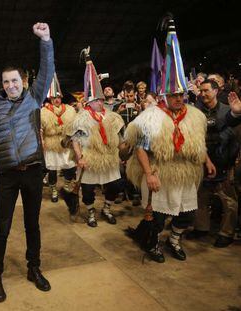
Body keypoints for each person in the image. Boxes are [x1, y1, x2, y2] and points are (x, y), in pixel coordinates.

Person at [125, 17, 211, 263]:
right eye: (174, 95)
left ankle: (174, 239)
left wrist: (207, 161)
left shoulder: (194, 116)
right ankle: (152, 245)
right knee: (158, 216)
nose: (179, 99)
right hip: (160, 173)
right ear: (164, 94)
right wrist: (149, 175)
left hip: (185, 173)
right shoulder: (150, 117)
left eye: (182, 95)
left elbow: (198, 142)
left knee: (187, 213)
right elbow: (141, 149)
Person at [0, 22, 54, 303]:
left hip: (33, 172)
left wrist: (45, 40)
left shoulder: (34, 98)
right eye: (6, 81)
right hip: (7, 175)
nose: (11, 85)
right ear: (2, 84)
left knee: (32, 224)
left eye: (15, 80)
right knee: (2, 226)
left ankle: (34, 268)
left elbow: (47, 70)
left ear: (23, 81)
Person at [69, 46, 124, 227]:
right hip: (89, 157)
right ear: (89, 102)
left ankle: (106, 208)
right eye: (96, 100)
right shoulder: (81, 118)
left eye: (101, 99)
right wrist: (79, 158)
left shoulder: (111, 116)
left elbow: (118, 137)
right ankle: (91, 211)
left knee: (115, 185)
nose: (100, 102)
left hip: (108, 157)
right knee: (88, 189)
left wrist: (121, 150)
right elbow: (75, 140)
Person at [188, 80, 241, 247]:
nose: (203, 94)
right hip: (202, 161)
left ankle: (226, 233)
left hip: (225, 162)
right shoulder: (195, 112)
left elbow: (233, 131)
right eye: (201, 91)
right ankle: (201, 228)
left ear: (216, 91)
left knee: (228, 201)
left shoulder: (229, 109)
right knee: (201, 197)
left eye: (207, 90)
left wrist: (236, 114)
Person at [41, 72, 77, 203]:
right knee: (52, 169)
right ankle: (53, 189)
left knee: (70, 166)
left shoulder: (69, 110)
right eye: (54, 98)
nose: (56, 100)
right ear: (50, 98)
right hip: (51, 143)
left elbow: (74, 126)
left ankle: (66, 185)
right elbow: (40, 129)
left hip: (66, 142)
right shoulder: (44, 112)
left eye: (58, 97)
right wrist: (42, 142)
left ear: (61, 97)